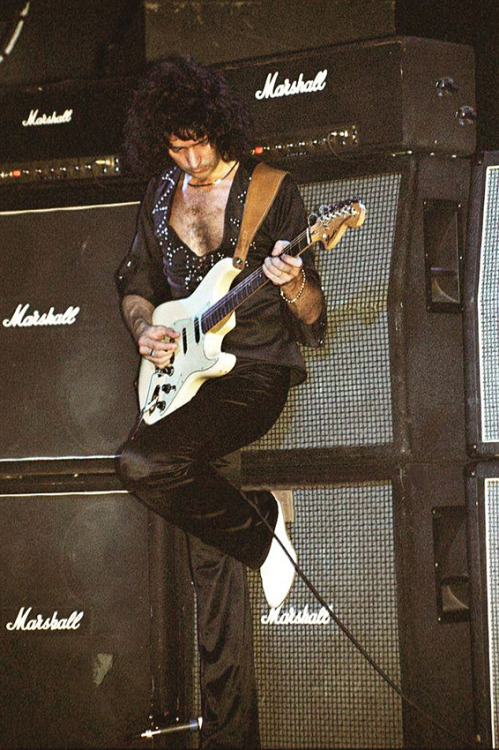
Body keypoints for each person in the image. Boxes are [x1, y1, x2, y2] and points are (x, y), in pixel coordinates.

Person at [116, 55, 326, 749]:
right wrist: (146, 327)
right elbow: (136, 282)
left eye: (200, 141)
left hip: (253, 373)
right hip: (185, 377)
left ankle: (261, 520)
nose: (192, 157)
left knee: (143, 465)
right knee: (186, 514)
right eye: (176, 146)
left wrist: (292, 281)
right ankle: (227, 728)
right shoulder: (158, 195)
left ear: (222, 128)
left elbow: (314, 314)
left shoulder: (272, 192)